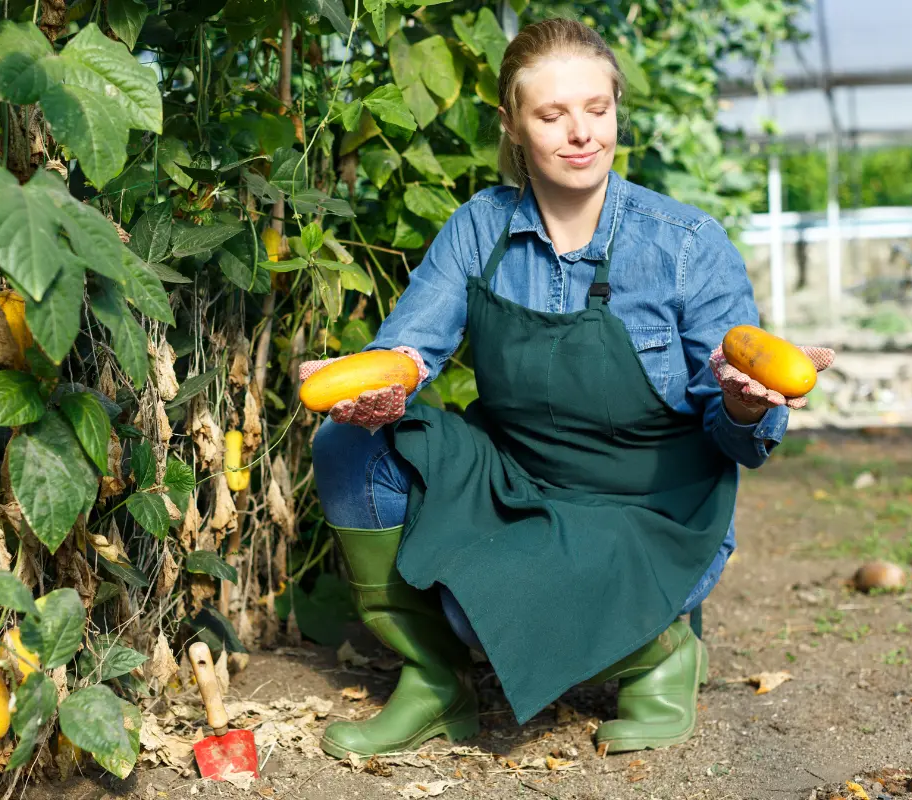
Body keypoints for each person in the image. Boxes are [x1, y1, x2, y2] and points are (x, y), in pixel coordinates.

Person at [299, 17, 834, 759]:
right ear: (513, 125)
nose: (581, 132)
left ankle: (664, 650)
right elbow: (407, 351)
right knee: (347, 443)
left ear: (616, 109)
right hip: (521, 480)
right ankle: (434, 683)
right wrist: (370, 385)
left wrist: (744, 404)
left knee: (476, 607)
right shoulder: (478, 228)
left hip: (648, 512)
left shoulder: (683, 245)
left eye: (598, 109)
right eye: (552, 114)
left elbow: (738, 436)